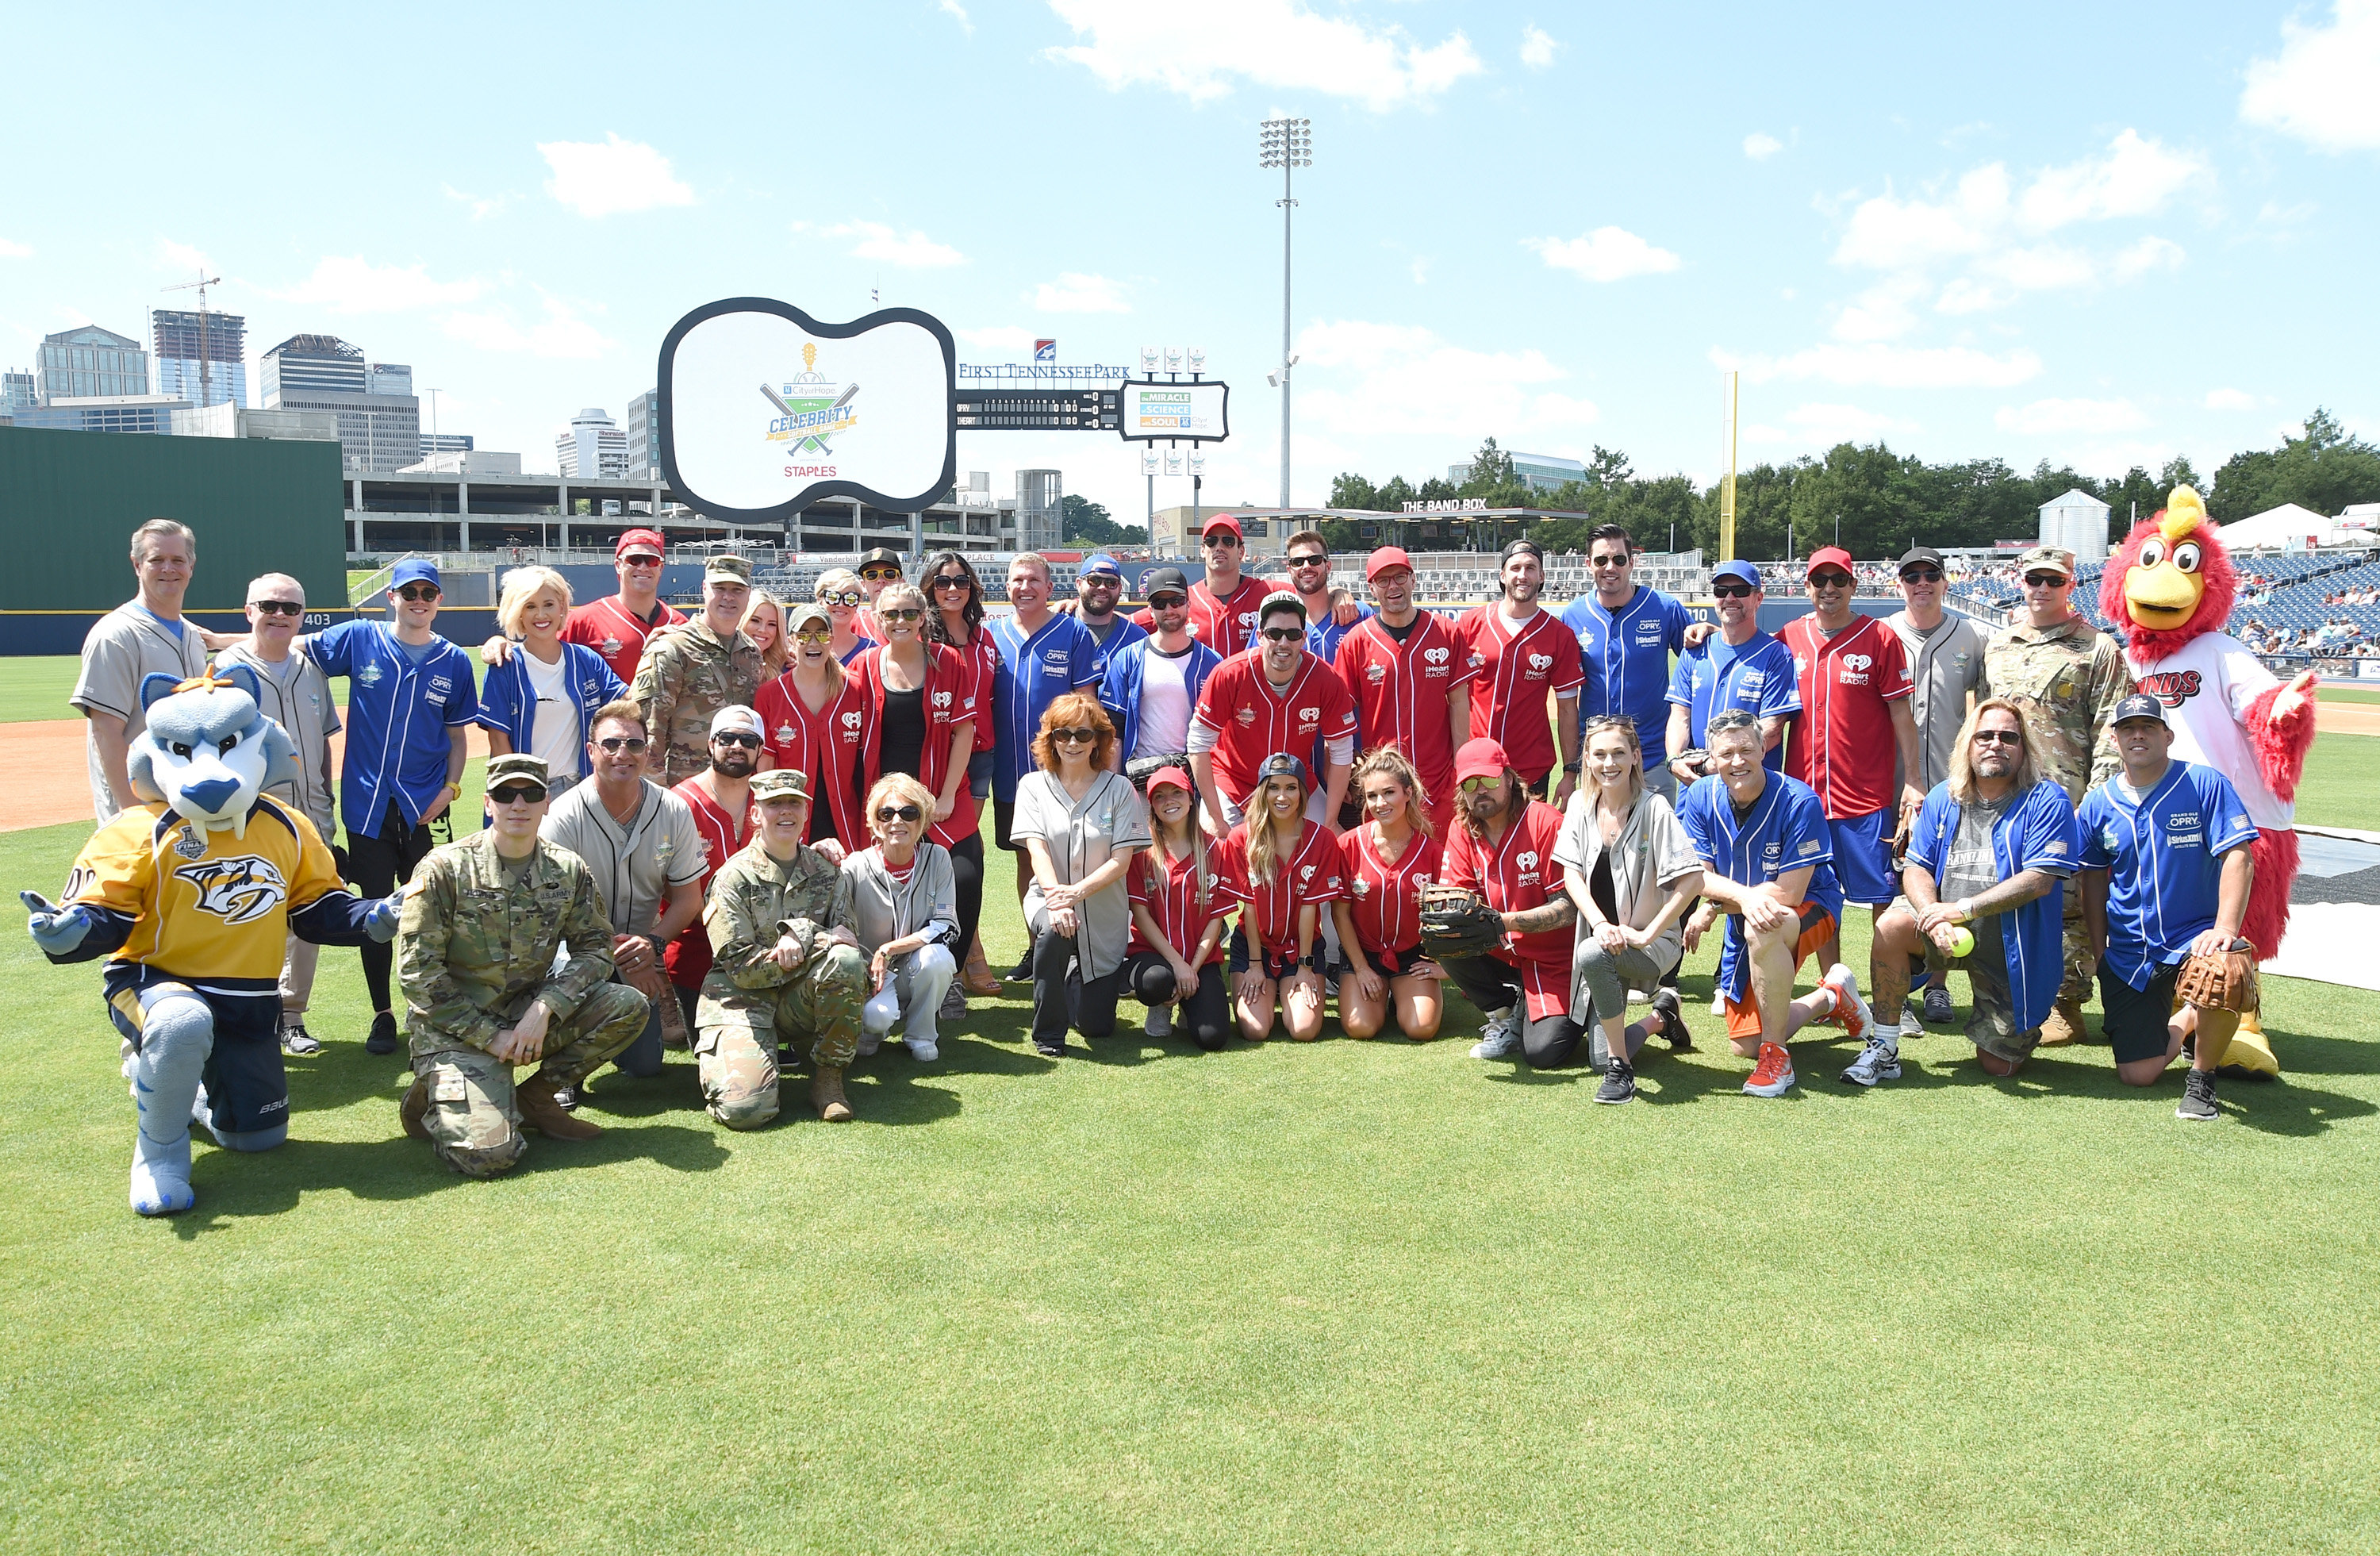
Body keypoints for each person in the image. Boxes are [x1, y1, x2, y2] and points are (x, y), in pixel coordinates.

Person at [395, 755, 651, 1178]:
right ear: (487, 803)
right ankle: (431, 1090)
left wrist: (544, 1009)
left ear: (546, 803)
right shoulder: (444, 868)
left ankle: (537, 1097)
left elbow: (594, 950)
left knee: (627, 1005)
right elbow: (418, 975)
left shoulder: (567, 869)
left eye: (531, 794)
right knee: (491, 1157)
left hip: (525, 1014)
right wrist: (489, 1038)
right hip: (456, 1027)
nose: (519, 804)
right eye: (505, 794)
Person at [295, 557, 478, 1055]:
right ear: (391, 597)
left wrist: (451, 789)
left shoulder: (454, 661)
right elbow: (287, 645)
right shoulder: (362, 638)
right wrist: (218, 641)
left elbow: (457, 737)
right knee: (374, 913)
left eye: (428, 593)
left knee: (433, 912)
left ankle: (433, 1014)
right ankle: (382, 1014)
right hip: (368, 804)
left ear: (439, 601)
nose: (419, 601)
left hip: (426, 807)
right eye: (409, 592)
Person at [1864, 699, 2081, 1083]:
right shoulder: (1943, 796)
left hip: (2010, 950)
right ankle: (1884, 1045)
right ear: (1968, 744)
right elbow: (1915, 866)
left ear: (2024, 748)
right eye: (1985, 736)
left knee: (2000, 1067)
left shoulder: (2047, 799)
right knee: (1892, 925)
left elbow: (2039, 879)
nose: (1996, 744)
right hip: (1944, 926)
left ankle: (2007, 1025)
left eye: (2008, 737)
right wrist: (1932, 914)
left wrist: (1963, 909)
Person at [1983, 543, 2136, 1047]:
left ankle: (2066, 1004)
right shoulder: (1999, 645)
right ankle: (2014, 992)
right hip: (2009, 798)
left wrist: (2097, 800)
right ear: (2021, 582)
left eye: (2054, 580)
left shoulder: (2097, 649)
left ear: (2071, 584)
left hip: (2068, 796)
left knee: (2068, 901)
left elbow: (2111, 727)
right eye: (2035, 580)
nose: (2043, 589)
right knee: (2009, 891)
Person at [2078, 694, 2258, 1120]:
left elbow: (2239, 856)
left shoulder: (2203, 783)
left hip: (2193, 936)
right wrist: (2100, 949)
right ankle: (2191, 1015)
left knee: (2223, 967)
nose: (2138, 735)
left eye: (2149, 727)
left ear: (2168, 736)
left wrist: (2224, 929)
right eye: (2128, 728)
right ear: (2115, 739)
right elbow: (2092, 880)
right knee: (2138, 1075)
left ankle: (2202, 1078)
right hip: (2129, 948)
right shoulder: (2098, 804)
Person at [1676, 710, 1867, 1098]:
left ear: (1764, 748)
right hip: (1744, 912)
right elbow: (1696, 876)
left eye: (1746, 749)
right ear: (1711, 758)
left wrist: (1716, 904)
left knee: (1764, 924)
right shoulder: (1698, 796)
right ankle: (1831, 996)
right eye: (1726, 753)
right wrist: (1733, 900)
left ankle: (1777, 1057)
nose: (1737, 761)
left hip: (1810, 907)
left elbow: (1790, 893)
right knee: (1743, 1044)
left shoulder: (1799, 800)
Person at [539, 700, 708, 1097]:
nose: (623, 753)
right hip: (574, 949)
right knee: (565, 972)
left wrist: (652, 945)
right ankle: (563, 1070)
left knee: (645, 1066)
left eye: (634, 744)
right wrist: (622, 955)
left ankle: (606, 1032)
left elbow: (689, 900)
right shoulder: (564, 815)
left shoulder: (672, 809)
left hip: (640, 952)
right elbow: (553, 913)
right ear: (591, 750)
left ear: (647, 751)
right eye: (611, 743)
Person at [211, 571, 341, 1056]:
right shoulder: (225, 670)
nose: (280, 615)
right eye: (269, 606)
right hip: (250, 818)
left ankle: (292, 1016)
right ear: (249, 612)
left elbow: (324, 744)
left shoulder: (311, 670)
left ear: (302, 617)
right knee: (246, 916)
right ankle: (244, 1019)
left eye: (290, 608)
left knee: (305, 917)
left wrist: (326, 801)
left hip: (310, 816)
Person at [1777, 547, 1923, 973]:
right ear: (1806, 586)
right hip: (1804, 799)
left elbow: (1901, 714)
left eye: (1839, 580)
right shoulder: (1788, 636)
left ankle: (1888, 995)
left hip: (1864, 797)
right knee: (1818, 898)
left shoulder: (1879, 637)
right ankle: (1834, 988)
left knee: (1881, 898)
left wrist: (1913, 780)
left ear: (1853, 585)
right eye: (1820, 580)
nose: (1829, 588)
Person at [696, 769, 870, 1125]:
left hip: (797, 998)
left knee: (847, 960)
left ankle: (828, 1081)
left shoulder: (826, 871)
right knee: (745, 1111)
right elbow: (741, 968)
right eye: (774, 804)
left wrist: (803, 937)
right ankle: (751, 1058)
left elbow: (846, 936)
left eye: (794, 803)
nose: (786, 811)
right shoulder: (732, 877)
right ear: (755, 814)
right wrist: (810, 935)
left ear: (806, 812)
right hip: (741, 1001)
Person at [847, 582, 980, 1019]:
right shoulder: (864, 665)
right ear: (878, 619)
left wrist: (946, 795)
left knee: (964, 877)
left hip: (942, 796)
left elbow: (965, 731)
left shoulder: (948, 660)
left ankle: (949, 977)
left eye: (909, 613)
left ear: (923, 617)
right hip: (886, 805)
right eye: (891, 614)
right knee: (880, 889)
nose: (900, 621)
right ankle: (879, 975)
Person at [1554, 717, 1701, 1103]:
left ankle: (1621, 1070)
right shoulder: (1579, 804)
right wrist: (1601, 923)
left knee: (1591, 952)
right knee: (1596, 1056)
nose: (1609, 763)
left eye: (1619, 753)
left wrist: (1647, 933)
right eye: (1600, 754)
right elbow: (1571, 875)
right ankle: (1661, 1017)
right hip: (1604, 943)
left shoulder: (1655, 808)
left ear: (1636, 756)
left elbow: (1693, 881)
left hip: (1648, 947)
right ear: (1587, 758)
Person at [1881, 545, 1993, 1034]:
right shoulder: (1882, 632)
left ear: (1946, 582)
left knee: (1944, 879)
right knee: (1890, 884)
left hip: (1952, 783)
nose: (1921, 582)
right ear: (1899, 584)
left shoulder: (1970, 635)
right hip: (1889, 780)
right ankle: (1898, 988)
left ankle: (1938, 984)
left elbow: (1989, 707)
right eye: (1912, 576)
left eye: (1931, 574)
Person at [1012, 694, 1150, 1057]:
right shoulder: (1032, 786)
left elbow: (1121, 862)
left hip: (1103, 915)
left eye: (1083, 734)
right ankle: (1048, 1034)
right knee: (1052, 931)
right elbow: (1037, 851)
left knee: (1097, 1026)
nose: (1072, 743)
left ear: (1098, 741)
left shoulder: (1119, 789)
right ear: (1051, 739)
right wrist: (1058, 900)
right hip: (1049, 898)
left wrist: (1075, 894)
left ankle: (1074, 972)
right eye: (1063, 734)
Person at [1432, 738, 1582, 1066]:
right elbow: (1459, 898)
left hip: (1556, 960)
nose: (1479, 791)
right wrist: (1456, 918)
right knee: (1445, 932)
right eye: (1469, 784)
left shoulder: (1545, 822)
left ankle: (1581, 1003)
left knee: (1544, 1053)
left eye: (1488, 780)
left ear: (1510, 779)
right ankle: (1504, 1010)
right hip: (1502, 953)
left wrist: (1503, 922)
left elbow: (1568, 908)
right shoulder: (1462, 828)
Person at [991, 553, 1104, 974]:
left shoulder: (1073, 633)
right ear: (1007, 586)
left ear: (1050, 588)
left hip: (1064, 771)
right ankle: (1038, 946)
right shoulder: (992, 635)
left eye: (1034, 580)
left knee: (1076, 857)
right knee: (1028, 858)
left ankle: (1083, 948)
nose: (1026, 587)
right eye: (1018, 580)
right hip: (1009, 771)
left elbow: (1088, 707)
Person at [72, 519, 210, 824]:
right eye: (156, 560)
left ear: (191, 566)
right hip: (143, 807)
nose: (168, 569)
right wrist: (133, 813)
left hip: (190, 801)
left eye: (177, 560)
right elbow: (105, 732)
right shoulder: (115, 634)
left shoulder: (192, 636)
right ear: (137, 565)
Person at [1332, 547, 1477, 836]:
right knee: (1387, 854)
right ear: (1371, 588)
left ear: (1413, 580)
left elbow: (1459, 701)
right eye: (1383, 580)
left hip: (1437, 776)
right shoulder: (1357, 641)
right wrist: (1347, 766)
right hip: (1381, 781)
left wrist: (1461, 766)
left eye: (1400, 577)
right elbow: (1340, 715)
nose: (1393, 586)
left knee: (1439, 855)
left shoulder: (1446, 632)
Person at [1558, 523, 1705, 800]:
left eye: (1619, 559)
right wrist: (1571, 768)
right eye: (1601, 560)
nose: (1610, 567)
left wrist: (1712, 629)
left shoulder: (1664, 607)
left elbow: (1703, 660)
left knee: (1655, 829)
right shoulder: (1574, 614)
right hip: (1597, 760)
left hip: (1652, 758)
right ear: (1588, 564)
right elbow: (1565, 694)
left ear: (1632, 563)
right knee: (1599, 829)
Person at [1188, 593, 1356, 832]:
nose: (1283, 643)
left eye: (1293, 634)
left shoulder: (1326, 679)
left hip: (1295, 782)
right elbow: (1198, 742)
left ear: (1304, 638)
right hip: (1234, 781)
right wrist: (1217, 818)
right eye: (1274, 634)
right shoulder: (1231, 673)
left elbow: (1341, 751)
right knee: (1214, 837)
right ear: (1260, 637)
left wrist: (1330, 821)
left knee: (1329, 839)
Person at [831, 773, 962, 1063]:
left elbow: (945, 927)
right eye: (886, 813)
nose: (897, 821)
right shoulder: (856, 866)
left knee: (938, 959)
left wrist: (889, 949)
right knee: (873, 1024)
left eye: (909, 812)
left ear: (922, 820)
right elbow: (833, 921)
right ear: (875, 821)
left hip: (914, 964)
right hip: (870, 974)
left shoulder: (938, 858)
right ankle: (873, 1027)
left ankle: (921, 1034)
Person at [1213, 754, 1343, 1043]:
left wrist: (1305, 967)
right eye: (1273, 787)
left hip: (1302, 949)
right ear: (1262, 792)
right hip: (1254, 948)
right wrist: (1255, 965)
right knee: (1255, 1030)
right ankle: (1272, 989)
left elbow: (1310, 907)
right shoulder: (1241, 838)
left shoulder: (1322, 839)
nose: (1282, 796)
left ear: (1302, 792)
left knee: (1304, 1029)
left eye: (1290, 787)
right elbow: (1248, 906)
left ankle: (1286, 988)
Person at [923, 550, 1004, 998]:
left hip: (980, 755)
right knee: (943, 859)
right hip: (937, 758)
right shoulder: (921, 635)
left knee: (968, 854)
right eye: (942, 581)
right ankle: (966, 956)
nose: (952, 589)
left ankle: (969, 949)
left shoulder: (984, 637)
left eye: (960, 581)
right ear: (929, 588)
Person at [474, 566, 628, 797]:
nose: (541, 615)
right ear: (518, 612)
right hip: (529, 787)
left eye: (548, 604)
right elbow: (498, 740)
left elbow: (629, 700)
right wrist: (521, 790)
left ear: (562, 608)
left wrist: (655, 650)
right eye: (530, 606)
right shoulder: (505, 666)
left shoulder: (586, 659)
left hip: (582, 787)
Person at [1453, 540, 1583, 807]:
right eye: (1515, 568)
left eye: (1530, 568)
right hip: (1476, 764)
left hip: (1531, 767)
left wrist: (1570, 772)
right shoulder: (1470, 624)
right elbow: (1452, 698)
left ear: (1542, 576)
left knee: (1529, 835)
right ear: (1503, 575)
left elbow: (1567, 709)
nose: (1522, 575)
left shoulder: (1559, 635)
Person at [1330, 749, 1445, 1043]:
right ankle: (1381, 991)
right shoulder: (1348, 845)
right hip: (1363, 954)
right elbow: (1340, 913)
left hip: (1412, 955)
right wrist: (1361, 968)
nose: (1380, 803)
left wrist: (1443, 965)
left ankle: (1404, 993)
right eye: (1372, 796)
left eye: (1389, 792)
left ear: (1408, 793)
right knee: (1361, 1027)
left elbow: (1448, 915)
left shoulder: (1432, 851)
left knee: (1421, 1028)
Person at [664, 705, 763, 1032]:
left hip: (762, 950)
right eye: (727, 738)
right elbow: (667, 887)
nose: (737, 746)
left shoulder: (770, 803)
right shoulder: (679, 803)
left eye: (748, 740)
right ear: (710, 744)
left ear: (761, 749)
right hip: (696, 953)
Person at [1124, 766, 1233, 1050]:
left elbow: (1216, 920)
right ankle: (1160, 1005)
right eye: (1159, 796)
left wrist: (1191, 969)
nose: (1169, 801)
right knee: (1155, 981)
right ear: (1151, 805)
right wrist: (1177, 964)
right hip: (1153, 955)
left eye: (1176, 793)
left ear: (1190, 798)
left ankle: (1188, 1003)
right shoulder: (1141, 850)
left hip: (1200, 959)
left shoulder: (1216, 849)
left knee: (1213, 1037)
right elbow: (1140, 915)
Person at [630, 553, 762, 786]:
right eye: (719, 588)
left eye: (738, 590)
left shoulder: (751, 652)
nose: (728, 597)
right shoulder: (673, 648)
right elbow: (648, 730)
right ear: (704, 589)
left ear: (748, 594)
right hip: (683, 789)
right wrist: (657, 796)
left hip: (735, 789)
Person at [1665, 559, 1798, 780]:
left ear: (1758, 599)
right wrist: (1674, 760)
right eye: (1721, 591)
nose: (1729, 598)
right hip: (1696, 782)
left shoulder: (1776, 654)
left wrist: (1715, 763)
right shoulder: (1695, 649)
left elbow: (1772, 729)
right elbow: (1680, 716)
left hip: (1750, 783)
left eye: (1740, 591)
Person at [754, 601, 867, 853]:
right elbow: (765, 768)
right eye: (804, 635)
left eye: (822, 634)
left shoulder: (855, 688)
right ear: (792, 641)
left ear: (831, 639)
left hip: (846, 822)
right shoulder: (770, 694)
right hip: (790, 823)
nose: (813, 643)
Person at [1100, 567, 1222, 774]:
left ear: (1188, 604)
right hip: (1140, 775)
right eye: (1160, 603)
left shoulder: (1211, 661)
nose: (1169, 609)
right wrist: (1114, 784)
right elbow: (1114, 729)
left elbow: (1221, 730)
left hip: (1191, 777)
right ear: (1150, 610)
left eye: (1176, 601)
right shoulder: (1129, 658)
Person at [554, 528, 684, 684]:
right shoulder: (582, 621)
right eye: (634, 560)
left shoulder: (680, 624)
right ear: (618, 565)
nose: (643, 567)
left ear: (661, 568)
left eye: (652, 561)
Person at [1284, 529, 1369, 663]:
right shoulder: (1275, 621)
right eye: (1297, 562)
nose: (1306, 567)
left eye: (1315, 560)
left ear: (1328, 567)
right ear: (1289, 570)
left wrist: (1341, 592)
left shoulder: (1359, 613)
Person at [1072, 552, 1149, 671]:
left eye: (1111, 583)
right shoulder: (1054, 626)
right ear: (1079, 584)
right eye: (1094, 580)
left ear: (1120, 588)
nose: (1102, 587)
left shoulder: (1137, 638)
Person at [816, 568, 871, 664]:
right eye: (833, 597)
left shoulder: (872, 651)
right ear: (819, 600)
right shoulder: (804, 651)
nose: (841, 605)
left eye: (850, 599)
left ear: (857, 604)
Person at [853, 547, 905, 643]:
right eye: (872, 575)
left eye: (889, 574)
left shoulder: (915, 622)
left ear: (901, 582)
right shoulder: (853, 624)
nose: (881, 580)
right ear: (863, 585)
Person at [741, 587, 792, 682]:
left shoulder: (786, 669)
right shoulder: (723, 662)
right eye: (755, 620)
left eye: (771, 624)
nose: (763, 630)